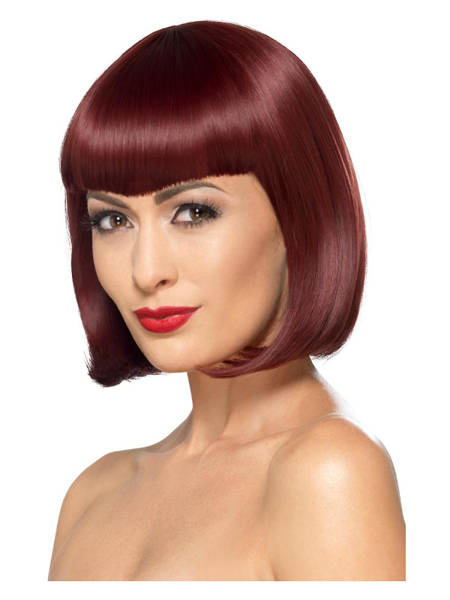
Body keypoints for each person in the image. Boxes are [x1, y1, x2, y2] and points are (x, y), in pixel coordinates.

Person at [47, 20, 405, 581]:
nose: (146, 271)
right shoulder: (92, 493)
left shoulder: (328, 471)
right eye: (113, 220)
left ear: (299, 218)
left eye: (193, 212)